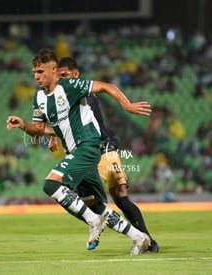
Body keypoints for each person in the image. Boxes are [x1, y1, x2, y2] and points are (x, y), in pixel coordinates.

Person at [6, 48, 152, 255]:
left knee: (50, 184)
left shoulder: (70, 86)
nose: (36, 76)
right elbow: (38, 129)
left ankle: (93, 223)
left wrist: (126, 105)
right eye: (34, 72)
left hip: (89, 145)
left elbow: (106, 86)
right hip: (75, 152)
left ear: (54, 70)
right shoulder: (38, 98)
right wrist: (22, 125)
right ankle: (139, 237)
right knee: (94, 204)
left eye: (40, 72)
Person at [51, 56, 159, 252]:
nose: (62, 80)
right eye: (59, 77)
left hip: (103, 147)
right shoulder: (65, 97)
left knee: (119, 198)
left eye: (65, 75)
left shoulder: (82, 94)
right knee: (90, 203)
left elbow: (79, 120)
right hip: (93, 149)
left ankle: (147, 240)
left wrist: (127, 105)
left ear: (76, 75)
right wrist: (52, 135)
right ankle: (138, 237)